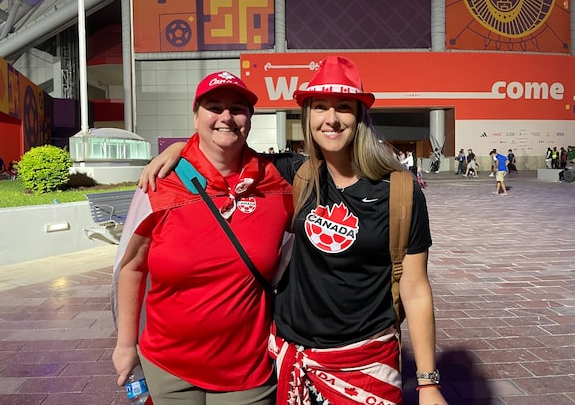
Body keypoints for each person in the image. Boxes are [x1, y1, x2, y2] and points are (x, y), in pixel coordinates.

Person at [142, 57, 447, 405]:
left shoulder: (400, 192)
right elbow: (224, 145)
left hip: (364, 361)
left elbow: (416, 288)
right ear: (307, 116)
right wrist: (177, 150)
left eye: (344, 107)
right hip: (289, 355)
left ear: (360, 116)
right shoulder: (294, 173)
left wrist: (428, 383)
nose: (331, 119)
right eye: (320, 107)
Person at [112, 71, 294, 405]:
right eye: (214, 107)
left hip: (248, 372)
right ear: (196, 116)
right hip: (167, 367)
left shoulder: (277, 184)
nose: (226, 116)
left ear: (250, 120)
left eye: (238, 108)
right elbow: (132, 267)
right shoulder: (160, 182)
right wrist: (126, 345)